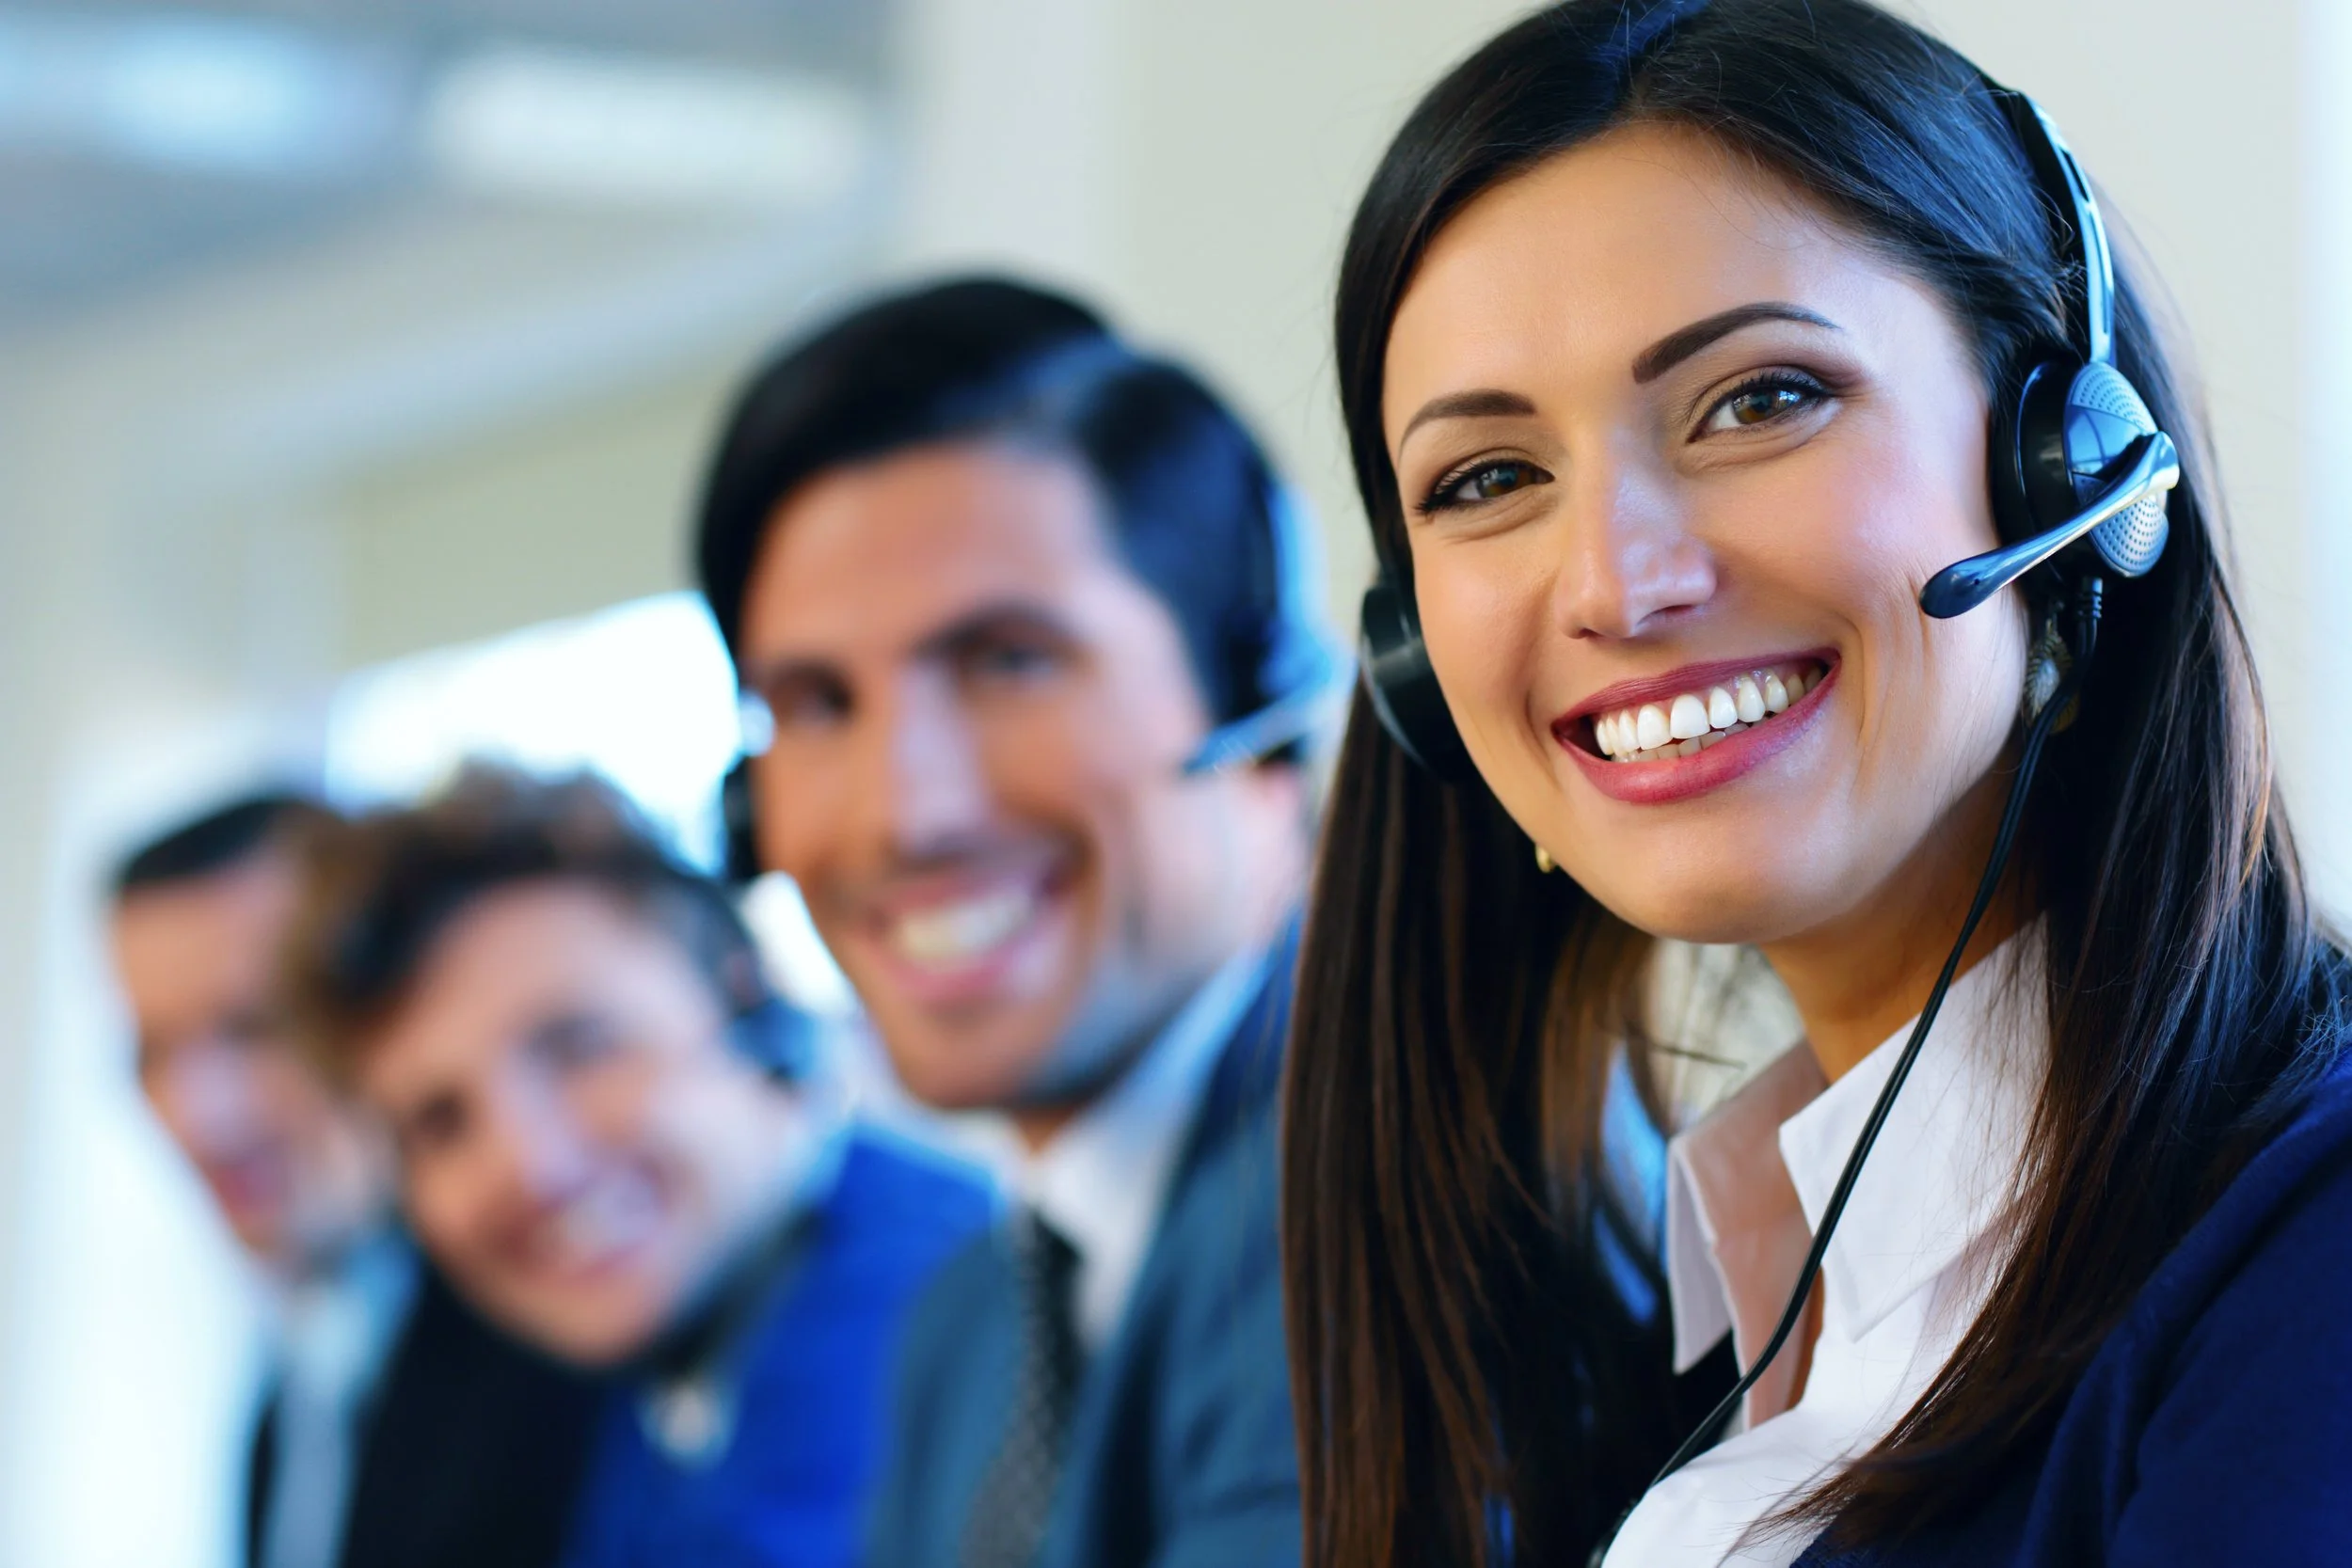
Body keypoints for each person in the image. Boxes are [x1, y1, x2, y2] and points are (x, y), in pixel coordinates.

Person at [1279, 2, 2352, 1565]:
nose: (1618, 582)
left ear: (2068, 454)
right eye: (1489, 478)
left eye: (1761, 398)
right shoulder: (1692, 1348)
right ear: (1409, 656)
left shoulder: (2304, 1256)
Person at [696, 277, 1328, 1568]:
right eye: (816, 704)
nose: (903, 814)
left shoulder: (1372, 1215)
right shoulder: (968, 1326)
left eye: (1007, 660)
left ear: (1259, 704)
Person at [279, 765, 992, 1568]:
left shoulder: (955, 1319)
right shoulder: (675, 1364)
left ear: (742, 992)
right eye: (439, 1124)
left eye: (582, 1047)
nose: (532, 1165)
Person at [107, 792, 597, 1568]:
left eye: (252, 1027)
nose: (200, 1116)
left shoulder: (571, 1351)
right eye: (152, 1051)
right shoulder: (293, 1400)